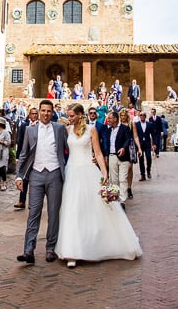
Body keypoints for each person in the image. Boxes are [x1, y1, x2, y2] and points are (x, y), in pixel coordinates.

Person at [56, 103, 142, 268]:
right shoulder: (67, 130)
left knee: (93, 209)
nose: (70, 118)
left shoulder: (91, 130)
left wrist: (104, 174)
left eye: (72, 115)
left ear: (81, 115)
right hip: (72, 172)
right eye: (69, 116)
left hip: (88, 170)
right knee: (72, 209)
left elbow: (98, 153)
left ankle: (97, 243)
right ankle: (72, 250)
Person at [15, 99, 68, 265]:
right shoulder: (30, 130)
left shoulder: (59, 129)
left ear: (52, 113)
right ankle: (28, 250)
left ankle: (50, 248)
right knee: (33, 212)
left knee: (53, 213)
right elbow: (23, 153)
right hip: (36, 175)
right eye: (43, 110)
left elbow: (69, 148)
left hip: (54, 174)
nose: (45, 113)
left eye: (48, 111)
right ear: (38, 111)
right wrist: (19, 176)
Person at [98, 111, 133, 207]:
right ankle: (115, 198)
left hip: (123, 157)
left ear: (115, 119)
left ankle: (122, 200)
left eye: (109, 118)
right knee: (114, 179)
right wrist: (105, 155)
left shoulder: (125, 128)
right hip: (112, 156)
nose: (107, 120)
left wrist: (124, 148)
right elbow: (105, 144)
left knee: (122, 179)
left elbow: (128, 139)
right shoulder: (108, 130)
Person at [13, 106, 39, 209]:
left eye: (36, 113)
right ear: (29, 114)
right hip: (25, 155)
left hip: (35, 156)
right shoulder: (24, 125)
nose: (34, 115)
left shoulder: (40, 126)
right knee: (24, 178)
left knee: (34, 180)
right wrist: (17, 157)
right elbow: (20, 141)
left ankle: (32, 202)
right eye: (32, 113)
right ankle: (22, 201)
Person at [120, 109, 138, 199]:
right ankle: (123, 186)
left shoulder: (131, 124)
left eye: (124, 115)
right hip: (120, 145)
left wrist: (139, 148)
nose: (123, 117)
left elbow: (135, 136)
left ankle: (129, 187)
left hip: (130, 146)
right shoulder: (118, 125)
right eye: (121, 115)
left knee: (129, 168)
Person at [134, 112, 153, 180]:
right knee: (141, 160)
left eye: (143, 115)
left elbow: (153, 134)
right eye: (141, 115)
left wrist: (154, 144)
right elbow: (135, 135)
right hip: (140, 144)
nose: (142, 116)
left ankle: (148, 170)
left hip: (147, 143)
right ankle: (142, 175)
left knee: (149, 158)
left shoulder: (149, 124)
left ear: (145, 116)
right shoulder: (137, 124)